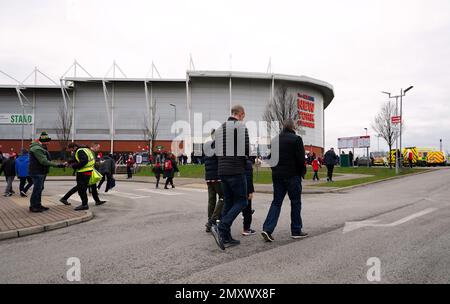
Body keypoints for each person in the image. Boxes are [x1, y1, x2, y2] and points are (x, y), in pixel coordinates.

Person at [261, 119, 307, 242]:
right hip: (293, 176)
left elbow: (270, 159)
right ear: (293, 128)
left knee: (276, 202)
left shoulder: (275, 140)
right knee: (296, 202)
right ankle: (296, 230)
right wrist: (302, 173)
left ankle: (267, 229)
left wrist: (275, 170)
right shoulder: (297, 139)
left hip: (278, 176)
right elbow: (301, 160)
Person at [210, 104, 250, 250]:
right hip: (236, 169)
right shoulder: (240, 127)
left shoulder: (220, 129)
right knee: (242, 202)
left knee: (228, 201)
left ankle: (225, 236)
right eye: (243, 115)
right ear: (240, 114)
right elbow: (246, 149)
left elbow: (215, 149)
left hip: (222, 170)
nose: (243, 118)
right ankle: (222, 226)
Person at [61, 142, 106, 210]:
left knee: (81, 189)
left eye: (72, 150)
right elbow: (78, 159)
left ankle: (84, 204)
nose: (72, 151)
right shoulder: (85, 149)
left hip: (83, 172)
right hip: (89, 171)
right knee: (83, 187)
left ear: (74, 147)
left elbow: (83, 161)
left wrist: (73, 166)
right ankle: (93, 202)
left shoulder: (80, 151)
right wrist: (69, 162)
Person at [28, 132, 65, 212]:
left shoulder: (41, 147)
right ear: (43, 141)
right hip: (37, 172)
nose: (49, 142)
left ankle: (38, 204)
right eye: (48, 141)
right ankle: (33, 206)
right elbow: (43, 161)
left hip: (41, 171)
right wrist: (58, 165)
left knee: (40, 188)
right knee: (37, 189)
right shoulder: (37, 148)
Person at [204, 129, 224, 233]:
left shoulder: (207, 146)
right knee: (223, 197)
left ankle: (209, 222)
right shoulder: (219, 146)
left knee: (211, 200)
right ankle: (212, 221)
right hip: (217, 176)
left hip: (208, 176)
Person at [241, 159, 256, 236]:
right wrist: (250, 191)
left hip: (235, 187)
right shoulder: (248, 163)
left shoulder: (237, 161)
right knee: (247, 209)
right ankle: (246, 228)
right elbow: (249, 179)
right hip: (245, 189)